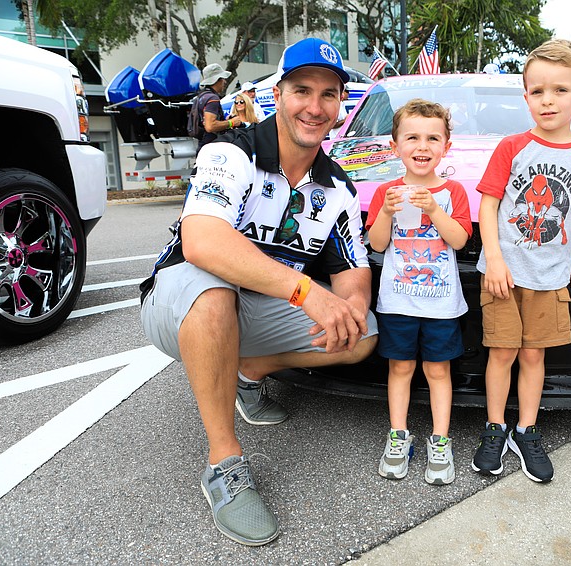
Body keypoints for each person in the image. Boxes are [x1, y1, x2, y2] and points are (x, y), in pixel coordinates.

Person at [140, 37, 378, 546]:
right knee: (213, 292)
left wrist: (350, 305)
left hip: (259, 305)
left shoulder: (338, 189)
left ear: (341, 104)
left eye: (329, 94)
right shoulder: (231, 150)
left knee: (362, 333)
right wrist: (306, 292)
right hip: (180, 301)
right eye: (301, 90)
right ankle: (224, 463)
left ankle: (251, 370)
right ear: (278, 91)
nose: (314, 107)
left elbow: (354, 272)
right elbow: (202, 240)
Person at [470, 39, 571, 483]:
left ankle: (525, 431)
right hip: (502, 274)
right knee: (502, 352)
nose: (548, 100)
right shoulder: (511, 147)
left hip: (548, 277)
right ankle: (494, 428)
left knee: (532, 356)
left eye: (561, 90)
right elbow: (488, 206)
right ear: (525, 95)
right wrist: (495, 258)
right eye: (538, 91)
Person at [365, 99, 471, 486]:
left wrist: (435, 210)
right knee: (401, 368)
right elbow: (376, 244)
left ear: (446, 146)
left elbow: (458, 240)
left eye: (432, 138)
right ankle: (398, 436)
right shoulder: (386, 192)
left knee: (438, 370)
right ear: (395, 146)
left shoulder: (453, 190)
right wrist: (387, 213)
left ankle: (440, 441)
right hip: (397, 301)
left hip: (441, 303)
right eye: (412, 137)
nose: (422, 146)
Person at [192, 63, 243, 152]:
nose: (225, 82)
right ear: (217, 80)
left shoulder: (201, 96)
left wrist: (224, 121)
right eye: (223, 79)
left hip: (203, 145)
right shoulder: (213, 99)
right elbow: (210, 126)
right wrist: (232, 122)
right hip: (211, 147)